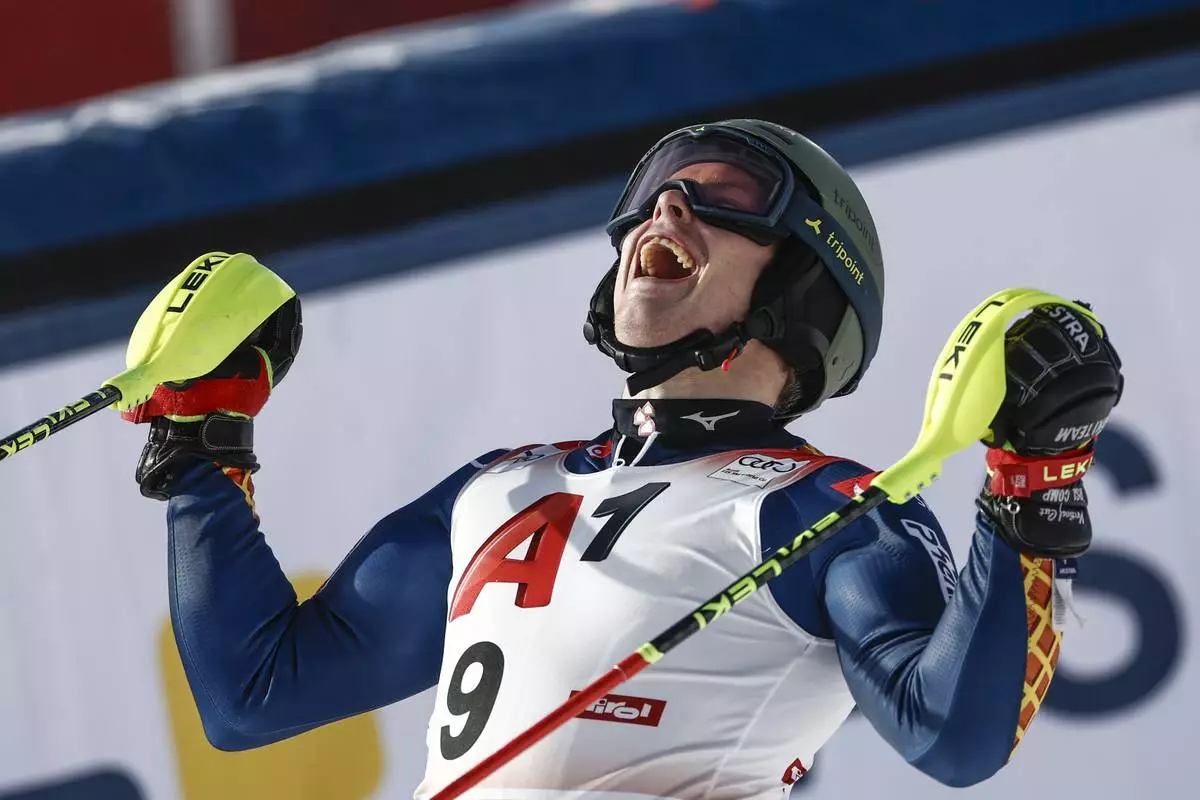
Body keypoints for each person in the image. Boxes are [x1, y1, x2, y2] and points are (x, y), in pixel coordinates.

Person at [125, 120, 1123, 799]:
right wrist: (204, 440)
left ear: (809, 287)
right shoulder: (498, 484)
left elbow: (954, 735)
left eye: (722, 195)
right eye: (652, 195)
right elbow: (251, 692)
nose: (666, 211)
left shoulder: (831, 508)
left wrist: (1035, 483)